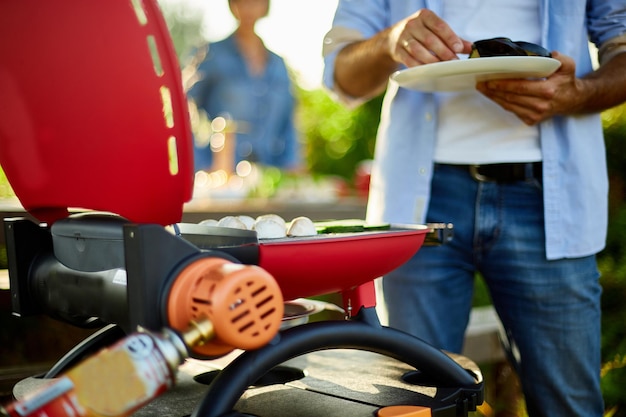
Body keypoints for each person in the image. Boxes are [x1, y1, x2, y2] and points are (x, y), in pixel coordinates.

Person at [322, 2, 626, 417]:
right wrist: (390, 42)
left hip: (551, 201)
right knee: (412, 405)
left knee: (569, 407)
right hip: (417, 206)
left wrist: (579, 94)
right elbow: (342, 76)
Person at [187, 0, 300, 173]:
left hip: (268, 175)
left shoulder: (278, 65)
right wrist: (201, 162)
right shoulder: (212, 55)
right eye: (243, 2)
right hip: (222, 176)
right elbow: (186, 108)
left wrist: (292, 164)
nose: (249, 8)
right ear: (233, 5)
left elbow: (288, 122)